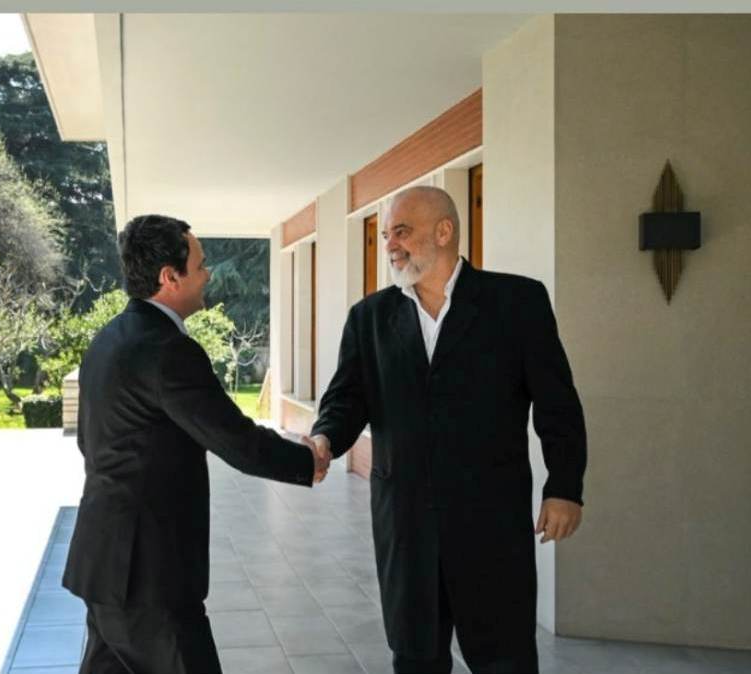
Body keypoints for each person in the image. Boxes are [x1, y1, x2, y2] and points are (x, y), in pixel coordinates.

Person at [309, 186, 587, 674]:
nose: (390, 244)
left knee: (506, 659)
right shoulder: (369, 318)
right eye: (386, 234)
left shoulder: (517, 302)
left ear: (444, 231)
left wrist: (564, 487)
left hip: (491, 524)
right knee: (415, 659)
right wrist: (325, 439)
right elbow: (346, 399)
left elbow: (557, 403)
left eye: (401, 231)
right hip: (406, 526)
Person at [63, 214, 331, 674]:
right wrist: (307, 461)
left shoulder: (108, 339)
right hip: (149, 577)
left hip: (103, 564)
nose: (208, 274)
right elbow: (235, 440)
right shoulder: (168, 350)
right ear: (170, 277)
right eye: (201, 264)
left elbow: (89, 443)